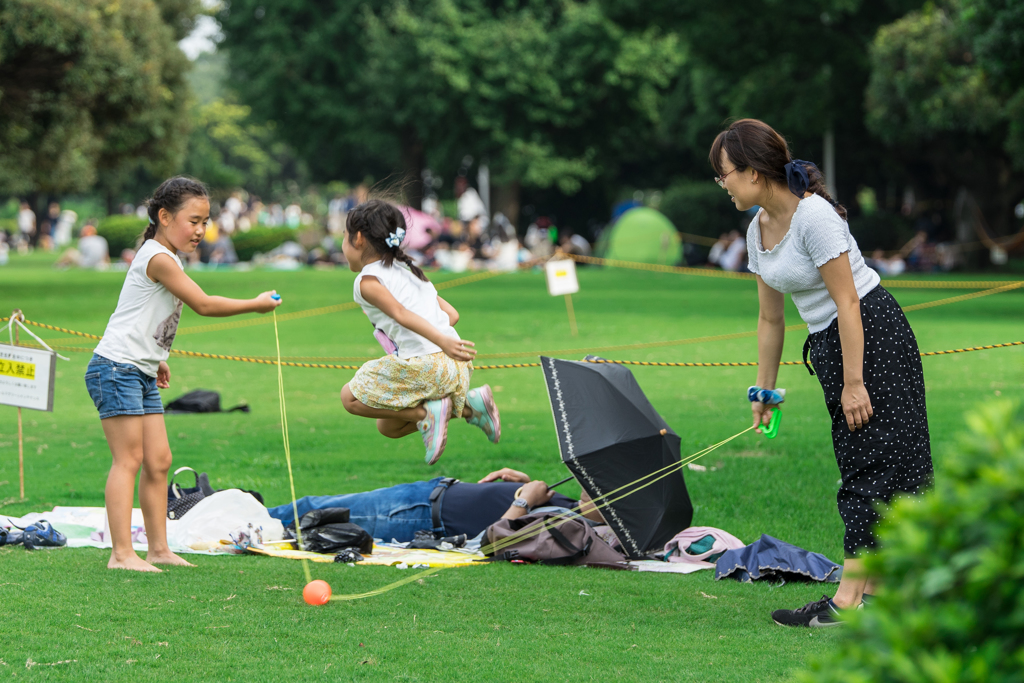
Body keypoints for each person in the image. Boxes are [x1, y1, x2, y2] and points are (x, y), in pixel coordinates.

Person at [709, 119, 932, 627]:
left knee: (878, 465)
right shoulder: (757, 227)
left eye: (724, 174)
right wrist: (765, 390)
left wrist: (855, 382)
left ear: (753, 170)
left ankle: (852, 600)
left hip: (872, 336)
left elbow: (849, 300)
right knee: (868, 461)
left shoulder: (814, 218)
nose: (722, 184)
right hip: (831, 345)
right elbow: (770, 318)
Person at [85, 176, 282, 573]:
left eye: (205, 221)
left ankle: (158, 549)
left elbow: (139, 314)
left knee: (160, 461)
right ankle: (122, 555)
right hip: (115, 369)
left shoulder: (166, 257)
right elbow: (204, 305)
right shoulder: (157, 257)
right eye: (193, 220)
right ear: (164, 216)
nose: (201, 230)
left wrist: (156, 355)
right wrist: (256, 304)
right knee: (129, 460)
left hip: (138, 368)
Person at [339, 199, 501, 465]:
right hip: (457, 368)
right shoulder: (408, 271)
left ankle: (427, 415)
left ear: (357, 239)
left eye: (344, 238)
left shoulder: (367, 281)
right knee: (388, 426)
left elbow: (401, 314)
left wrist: (439, 341)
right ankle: (471, 407)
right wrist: (443, 341)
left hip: (429, 363)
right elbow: (452, 315)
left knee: (350, 398)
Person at [266, 468, 600, 542]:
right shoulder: (573, 507)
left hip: (416, 514)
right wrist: (517, 486)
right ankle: (232, 507)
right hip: (429, 496)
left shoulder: (572, 525)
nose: (590, 488)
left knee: (310, 512)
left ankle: (225, 514)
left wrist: (525, 499)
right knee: (311, 511)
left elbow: (497, 541)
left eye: (600, 493)